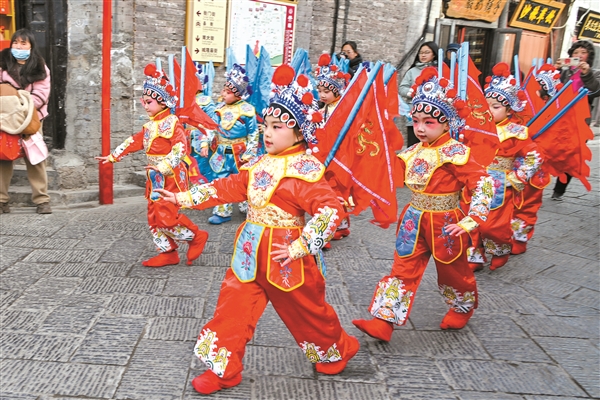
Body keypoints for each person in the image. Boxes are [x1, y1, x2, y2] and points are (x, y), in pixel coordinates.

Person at [156, 65, 359, 395]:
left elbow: (330, 210)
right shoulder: (260, 164)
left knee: (308, 313)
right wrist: (182, 197)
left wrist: (301, 245)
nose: (267, 133)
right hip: (249, 251)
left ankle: (335, 348)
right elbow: (227, 187)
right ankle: (224, 369)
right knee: (231, 308)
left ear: (299, 133)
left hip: (286, 256)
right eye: (266, 125)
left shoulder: (305, 171)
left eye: (277, 127)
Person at [351, 66, 495, 341]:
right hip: (413, 218)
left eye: (428, 122)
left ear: (446, 123)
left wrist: (472, 218)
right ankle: (384, 320)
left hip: (446, 222)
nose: (419, 128)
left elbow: (484, 183)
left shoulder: (456, 153)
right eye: (416, 120)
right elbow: (387, 174)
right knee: (402, 268)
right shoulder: (411, 152)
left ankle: (462, 306)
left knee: (453, 271)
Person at [95, 63, 208, 268]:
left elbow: (180, 148)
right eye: (144, 102)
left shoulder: (172, 123)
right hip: (154, 177)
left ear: (162, 102)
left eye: (149, 102)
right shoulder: (149, 126)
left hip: (169, 177)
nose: (145, 106)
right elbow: (134, 141)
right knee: (153, 216)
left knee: (166, 217)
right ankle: (167, 252)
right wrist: (113, 156)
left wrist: (163, 166)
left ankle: (195, 236)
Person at [466, 62, 542, 271]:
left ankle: (500, 248)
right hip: (475, 181)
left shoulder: (517, 132)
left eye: (496, 107)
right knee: (472, 218)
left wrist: (516, 178)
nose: (489, 111)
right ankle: (475, 255)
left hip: (501, 184)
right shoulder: (476, 127)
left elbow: (534, 156)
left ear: (509, 110)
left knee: (493, 225)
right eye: (487, 105)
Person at [194, 63, 260, 224]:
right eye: (224, 90)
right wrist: (204, 144)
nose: (223, 94)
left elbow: (253, 133)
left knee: (243, 180)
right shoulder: (219, 109)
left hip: (240, 152)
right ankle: (222, 211)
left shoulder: (247, 110)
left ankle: (248, 206)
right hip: (222, 151)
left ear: (238, 95)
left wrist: (250, 153)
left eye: (228, 92)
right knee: (221, 179)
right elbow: (211, 127)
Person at [0, 29, 52, 214]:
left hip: (32, 117)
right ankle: (1, 200)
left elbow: (41, 95)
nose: (18, 46)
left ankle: (42, 200)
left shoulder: (40, 67)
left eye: (23, 43)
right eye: (15, 42)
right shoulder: (3, 64)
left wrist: (20, 106)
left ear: (31, 46)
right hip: (6, 118)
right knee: (3, 157)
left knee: (35, 157)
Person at [511, 64, 561, 255]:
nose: (534, 91)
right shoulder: (520, 108)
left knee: (527, 207)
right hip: (512, 166)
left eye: (539, 88)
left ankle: (519, 240)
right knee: (509, 205)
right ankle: (505, 237)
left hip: (535, 169)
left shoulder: (553, 112)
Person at [551, 40, 600, 201]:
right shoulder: (564, 72)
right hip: (558, 118)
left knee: (572, 156)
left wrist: (586, 73)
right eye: (576, 52)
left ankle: (559, 190)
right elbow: (548, 89)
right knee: (548, 149)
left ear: (589, 56)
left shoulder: (594, 73)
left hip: (579, 121)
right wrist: (555, 70)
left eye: (583, 52)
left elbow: (595, 90)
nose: (579, 55)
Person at [315, 53, 352, 244]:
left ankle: (336, 224)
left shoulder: (344, 110)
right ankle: (335, 223)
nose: (322, 95)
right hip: (323, 155)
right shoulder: (321, 110)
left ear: (337, 91)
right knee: (325, 190)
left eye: (326, 91)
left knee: (336, 190)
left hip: (339, 156)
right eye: (319, 90)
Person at [399, 41, 439, 147]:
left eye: (427, 52)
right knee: (414, 146)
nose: (423, 55)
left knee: (432, 146)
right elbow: (402, 88)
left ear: (434, 54)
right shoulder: (412, 71)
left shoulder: (440, 70)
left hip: (434, 115)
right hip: (415, 113)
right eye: (421, 53)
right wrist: (414, 92)